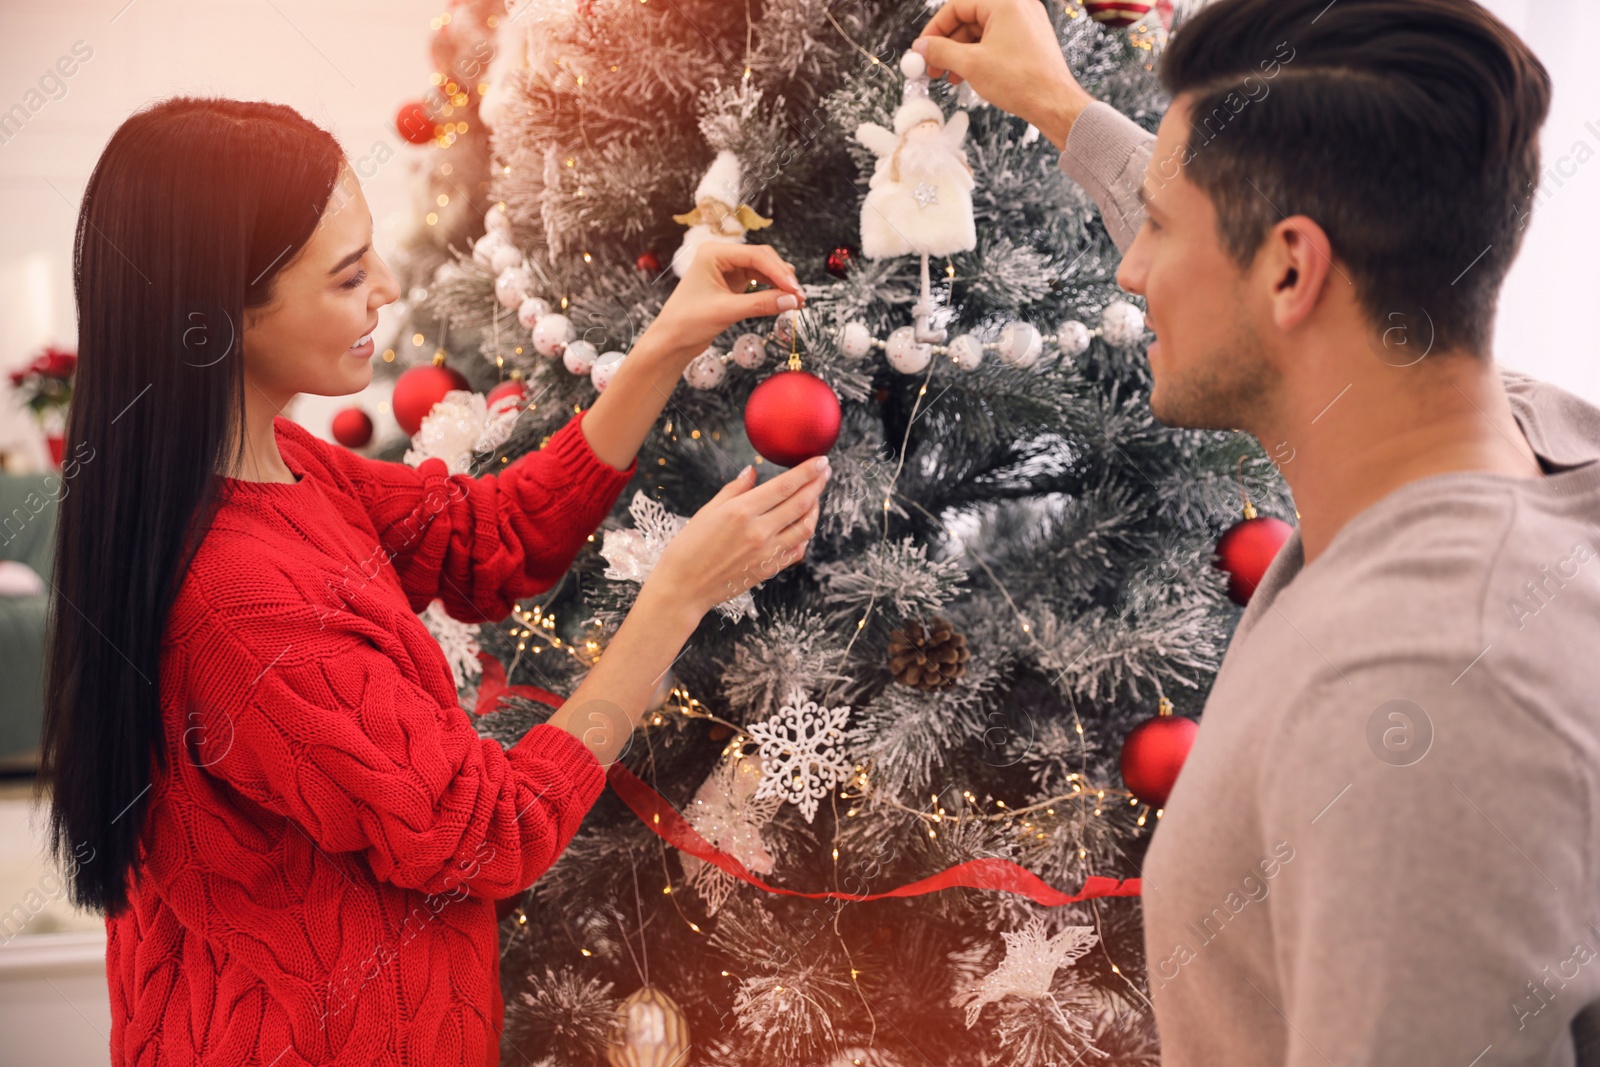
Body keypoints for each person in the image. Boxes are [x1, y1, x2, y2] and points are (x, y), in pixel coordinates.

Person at [36, 96, 827, 1066]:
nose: (385, 293)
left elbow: (486, 537)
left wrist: (664, 342)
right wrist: (674, 597)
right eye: (344, 276)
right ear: (218, 315)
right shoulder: (241, 603)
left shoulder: (269, 463)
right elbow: (491, 829)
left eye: (371, 254)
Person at [916, 0, 1600, 1063]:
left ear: (1290, 271)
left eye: (1157, 226)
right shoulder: (1520, 435)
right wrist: (1059, 108)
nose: (1130, 272)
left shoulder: (1418, 699)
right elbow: (1250, 255)